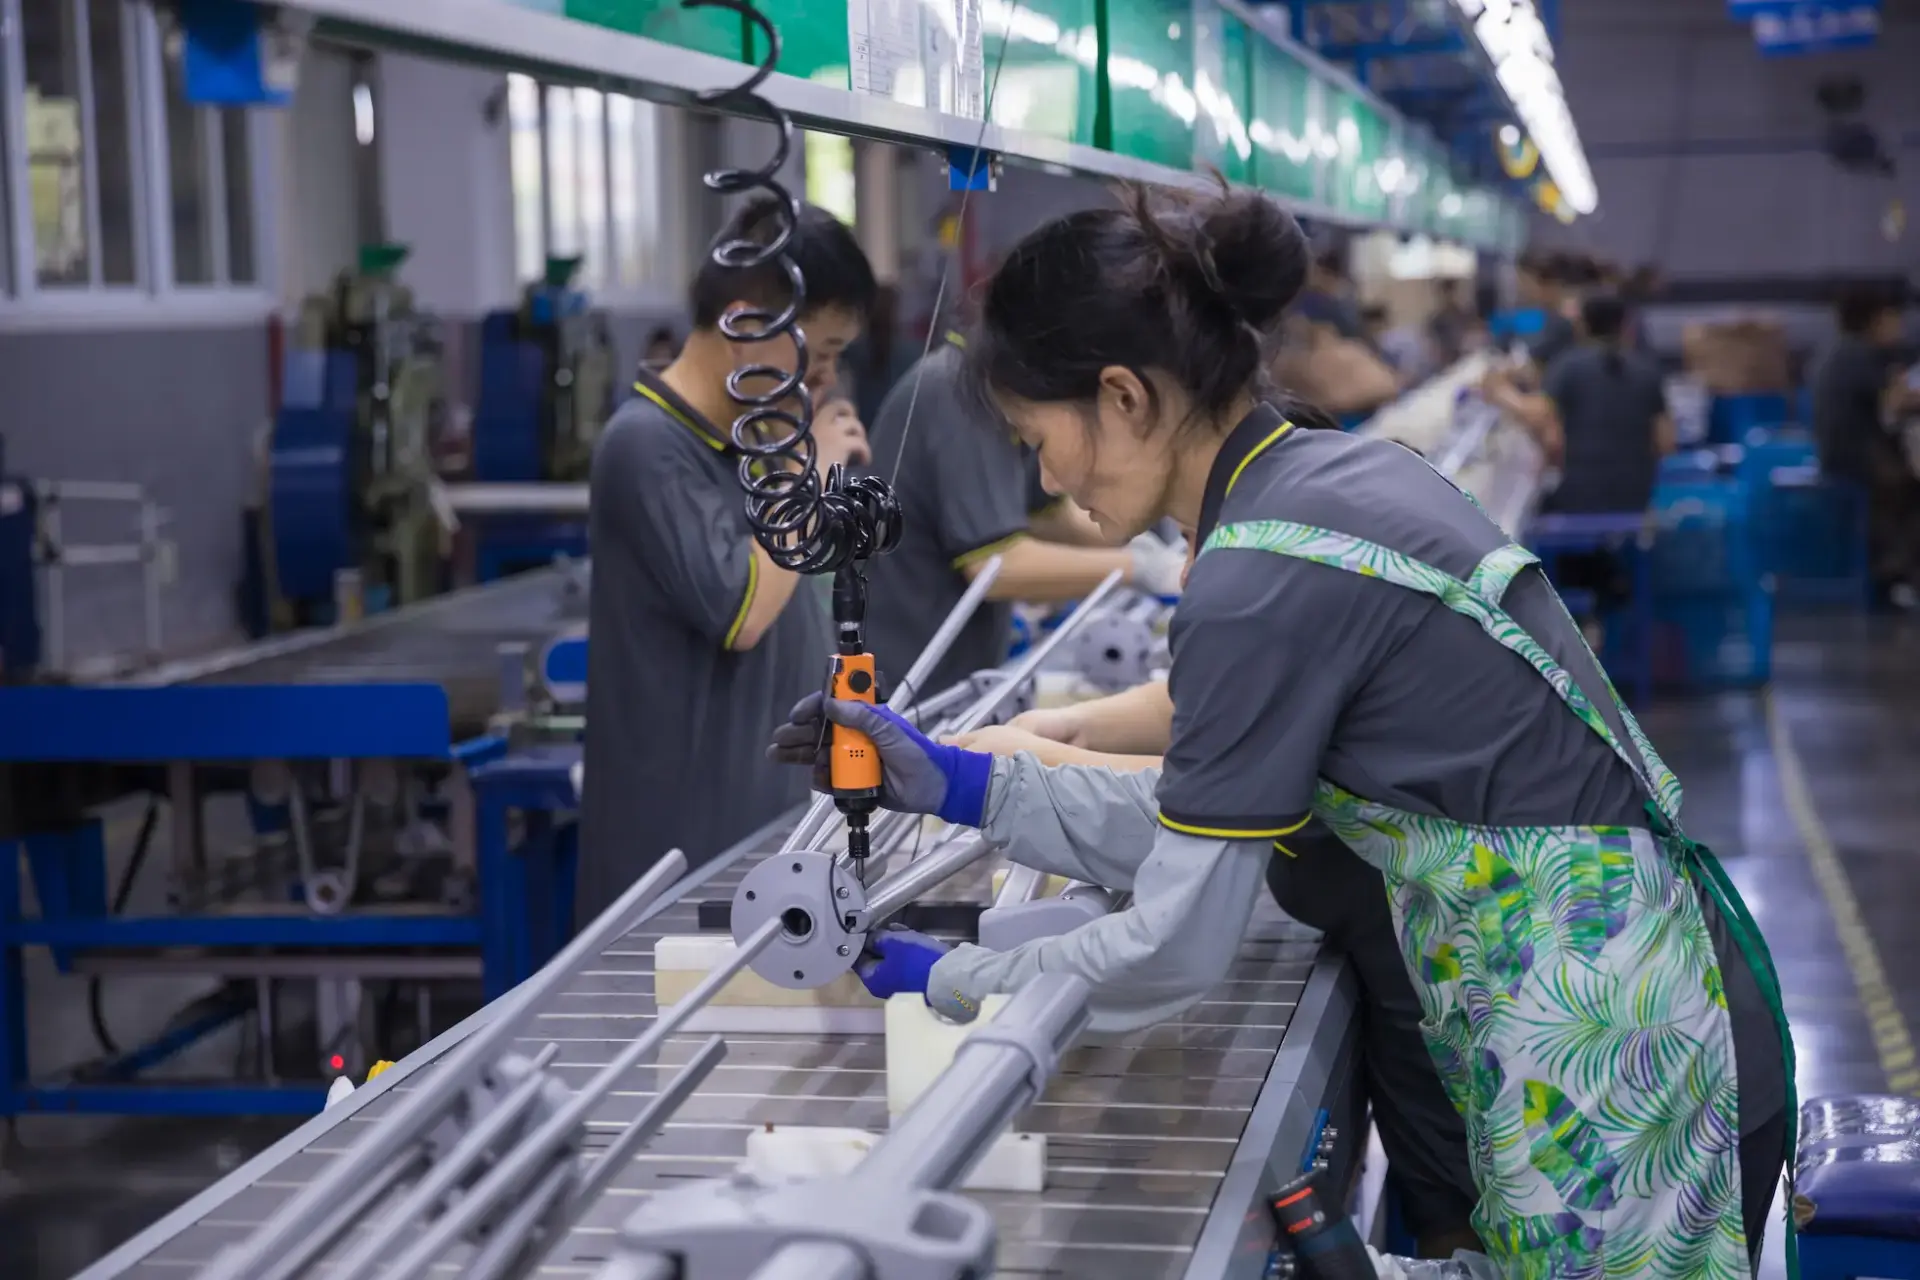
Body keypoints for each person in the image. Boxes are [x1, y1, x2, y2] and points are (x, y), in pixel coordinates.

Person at [770, 184, 1790, 1277]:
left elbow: (1177, 939)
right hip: (1615, 977)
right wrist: (969, 784)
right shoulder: (1320, 479)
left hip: (1605, 1023)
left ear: (1122, 395)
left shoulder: (1258, 570)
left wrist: (950, 982)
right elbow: (1208, 826)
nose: (1047, 477)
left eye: (1039, 438)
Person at [951, 686, 1485, 1259]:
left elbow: (1239, 799)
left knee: (1475, 1219)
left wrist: (1017, 775)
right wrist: (1074, 727)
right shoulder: (1279, 607)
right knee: (1447, 1208)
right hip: (1418, 968)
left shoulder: (1325, 600)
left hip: (1481, 976)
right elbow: (1237, 686)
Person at [579, 197, 876, 923]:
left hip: (757, 853)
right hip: (674, 879)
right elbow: (741, 609)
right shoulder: (647, 446)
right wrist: (808, 475)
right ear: (747, 325)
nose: (826, 382)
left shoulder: (752, 445)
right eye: (822, 354)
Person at [860, 333, 1188, 700]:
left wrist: (1146, 540)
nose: (1052, 479)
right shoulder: (961, 392)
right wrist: (1137, 569)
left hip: (963, 669)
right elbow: (994, 566)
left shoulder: (1012, 394)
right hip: (905, 673)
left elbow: (1046, 515)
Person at [1810, 286, 1920, 608]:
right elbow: (1897, 400)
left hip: (1847, 452)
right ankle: (1896, 573)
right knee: (1909, 488)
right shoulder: (1856, 354)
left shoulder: (1841, 351)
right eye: (1894, 319)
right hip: (1852, 458)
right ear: (1875, 321)